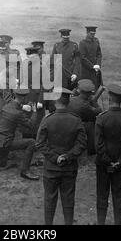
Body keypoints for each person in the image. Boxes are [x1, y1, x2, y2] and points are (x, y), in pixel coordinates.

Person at [36, 87, 87, 225]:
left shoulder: (47, 120)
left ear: (55, 101)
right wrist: (68, 156)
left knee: (49, 200)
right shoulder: (76, 120)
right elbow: (82, 144)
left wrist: (54, 157)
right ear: (68, 101)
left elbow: (39, 144)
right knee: (68, 200)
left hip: (51, 168)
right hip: (69, 168)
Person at [95, 84, 121, 225]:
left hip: (103, 165)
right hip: (120, 166)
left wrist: (107, 161)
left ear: (109, 98)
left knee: (102, 195)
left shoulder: (101, 118)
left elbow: (98, 145)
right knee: (119, 196)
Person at [0, 88, 40, 180]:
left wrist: (22, 106)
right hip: (6, 143)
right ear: (24, 99)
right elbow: (31, 125)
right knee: (31, 142)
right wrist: (35, 111)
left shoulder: (7, 106)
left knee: (1, 162)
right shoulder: (18, 114)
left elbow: (14, 108)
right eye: (26, 98)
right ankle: (25, 171)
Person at [68, 79, 102, 155]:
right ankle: (92, 149)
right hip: (78, 126)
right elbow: (98, 111)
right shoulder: (85, 105)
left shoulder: (71, 99)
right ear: (90, 93)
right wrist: (94, 102)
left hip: (68, 123)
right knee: (91, 124)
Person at [20, 46, 46, 138]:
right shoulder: (25, 65)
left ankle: (36, 140)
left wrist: (41, 100)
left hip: (36, 96)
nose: (30, 59)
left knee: (37, 119)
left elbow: (45, 85)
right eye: (29, 57)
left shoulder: (42, 67)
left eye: (34, 57)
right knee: (26, 117)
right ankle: (26, 138)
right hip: (26, 96)